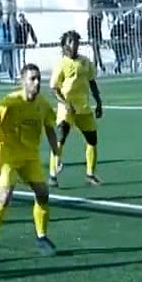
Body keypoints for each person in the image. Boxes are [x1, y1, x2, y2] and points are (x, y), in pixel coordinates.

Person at [0, 64, 60, 263]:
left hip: (29, 156)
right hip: (7, 155)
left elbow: (49, 127)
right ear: (22, 81)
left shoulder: (42, 104)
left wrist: (56, 152)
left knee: (43, 193)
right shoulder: (8, 103)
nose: (37, 82)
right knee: (5, 197)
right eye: (32, 79)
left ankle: (41, 237)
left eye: (38, 78)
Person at [49, 30, 104, 185]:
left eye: (77, 42)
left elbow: (92, 82)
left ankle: (90, 174)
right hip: (66, 108)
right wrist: (65, 104)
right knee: (60, 138)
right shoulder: (61, 64)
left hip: (83, 107)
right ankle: (52, 175)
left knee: (92, 140)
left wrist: (99, 102)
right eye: (71, 42)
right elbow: (53, 89)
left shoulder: (85, 62)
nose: (75, 45)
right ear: (65, 45)